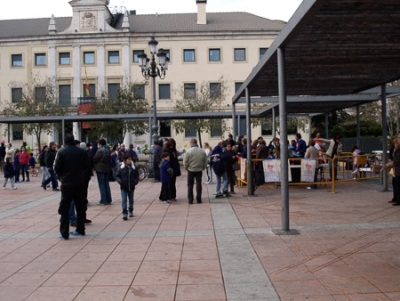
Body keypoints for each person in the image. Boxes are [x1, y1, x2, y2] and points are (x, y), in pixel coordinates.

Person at [54, 133, 90, 239]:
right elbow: (87, 166)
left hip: (66, 183)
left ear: (64, 141)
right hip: (79, 182)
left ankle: (64, 232)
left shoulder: (61, 152)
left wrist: (62, 178)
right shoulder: (82, 152)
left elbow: (57, 168)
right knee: (80, 206)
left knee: (65, 208)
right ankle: (80, 229)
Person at [183, 138, 208, 204]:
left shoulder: (189, 151)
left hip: (191, 170)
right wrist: (203, 167)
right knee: (199, 184)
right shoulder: (202, 151)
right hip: (199, 170)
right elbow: (206, 161)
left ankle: (190, 199)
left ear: (191, 143)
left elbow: (185, 162)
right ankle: (199, 199)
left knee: (190, 185)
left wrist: (186, 168)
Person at [115, 153, 139, 219]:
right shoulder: (121, 167)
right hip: (123, 186)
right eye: (128, 159)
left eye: (130, 159)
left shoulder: (134, 167)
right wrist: (121, 182)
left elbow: (137, 176)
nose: (130, 161)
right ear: (125, 160)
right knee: (124, 200)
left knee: (131, 199)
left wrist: (135, 182)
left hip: (131, 186)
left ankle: (130, 210)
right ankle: (124, 213)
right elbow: (117, 176)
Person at [93, 138, 113, 205]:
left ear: (100, 144)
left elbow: (95, 158)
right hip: (107, 168)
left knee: (101, 184)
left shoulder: (100, 150)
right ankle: (108, 199)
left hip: (100, 168)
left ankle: (103, 200)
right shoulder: (108, 149)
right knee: (106, 184)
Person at [385, 135, 400, 206]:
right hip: (396, 169)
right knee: (395, 183)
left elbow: (397, 161)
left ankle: (398, 199)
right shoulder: (396, 149)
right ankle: (396, 198)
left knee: (398, 184)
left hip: (398, 169)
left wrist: (391, 164)